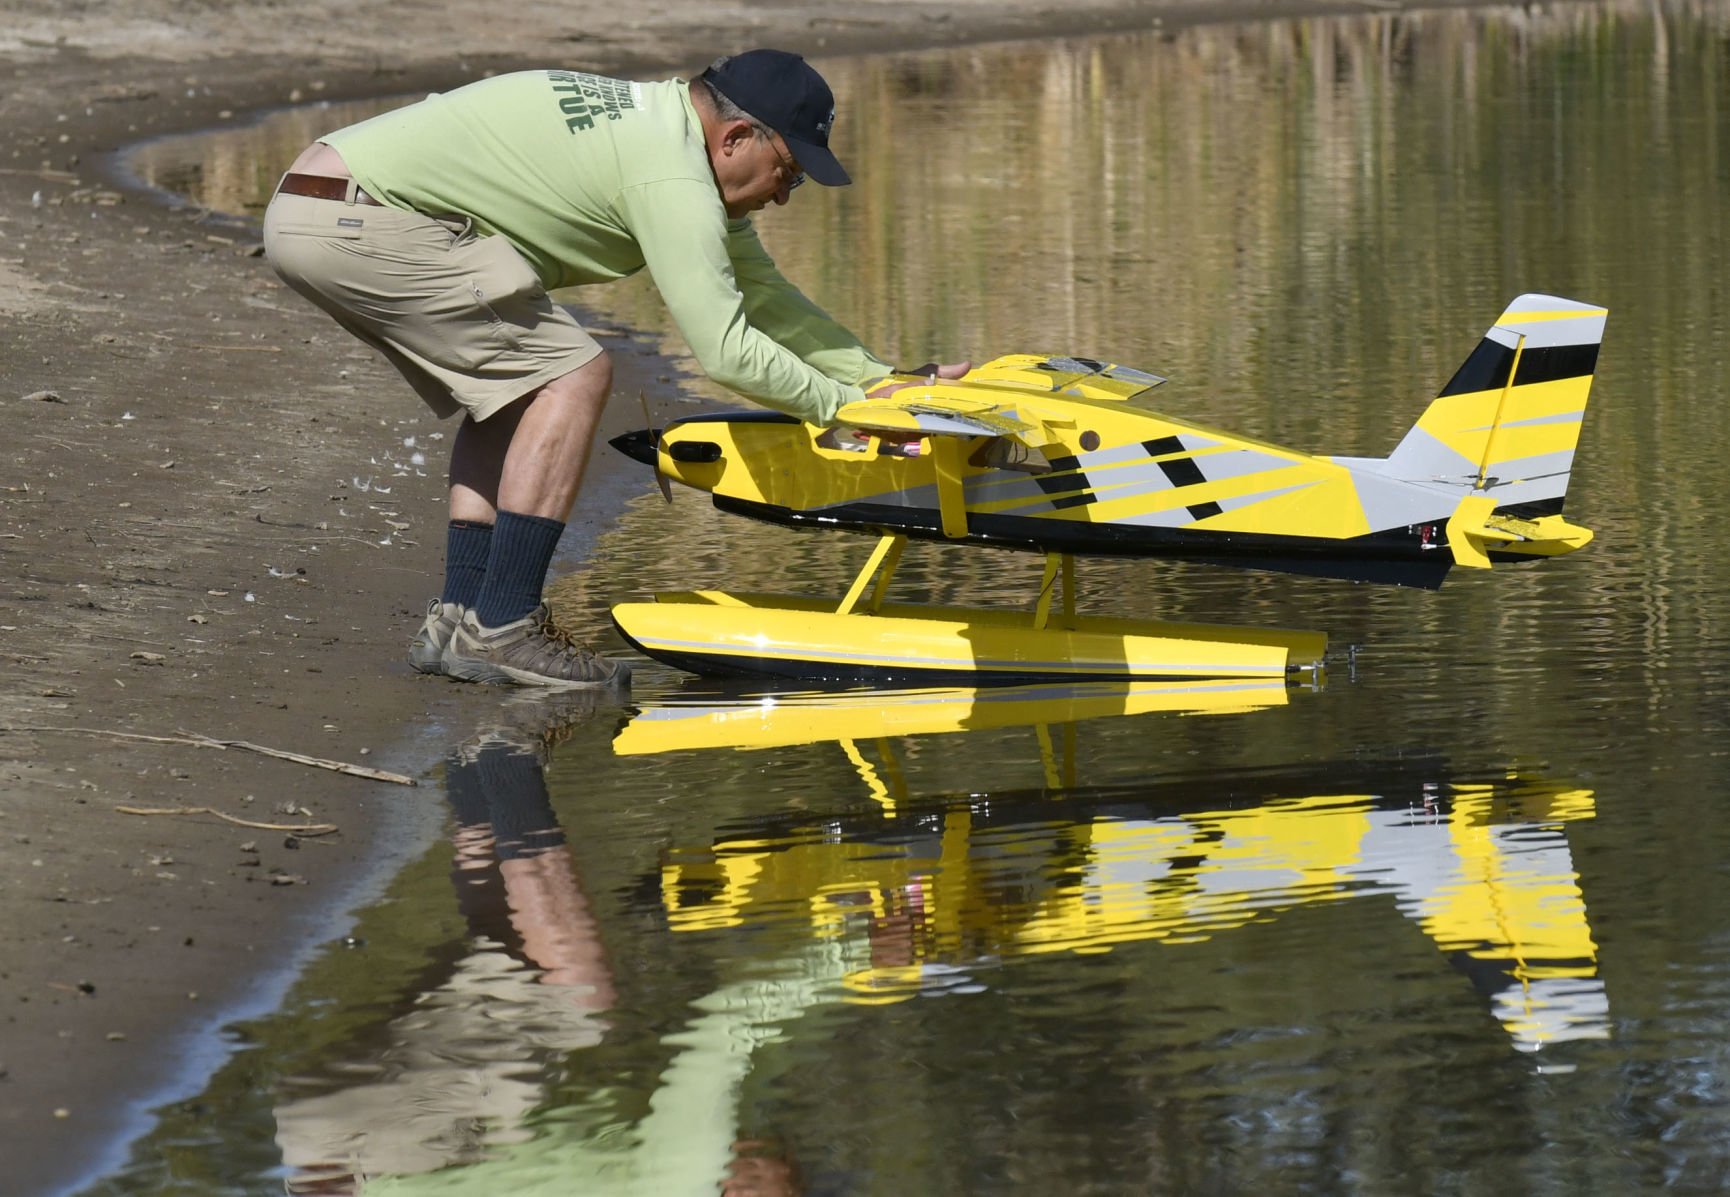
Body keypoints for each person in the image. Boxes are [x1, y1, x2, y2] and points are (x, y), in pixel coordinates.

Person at [263, 49, 967, 690]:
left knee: (514, 393)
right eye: (787, 172)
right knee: (576, 374)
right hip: (365, 218)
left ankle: (460, 621)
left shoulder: (665, 134)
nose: (783, 195)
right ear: (736, 139)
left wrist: (879, 380)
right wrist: (845, 409)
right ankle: (504, 628)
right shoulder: (671, 170)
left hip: (319, 204)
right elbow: (725, 350)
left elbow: (766, 298)